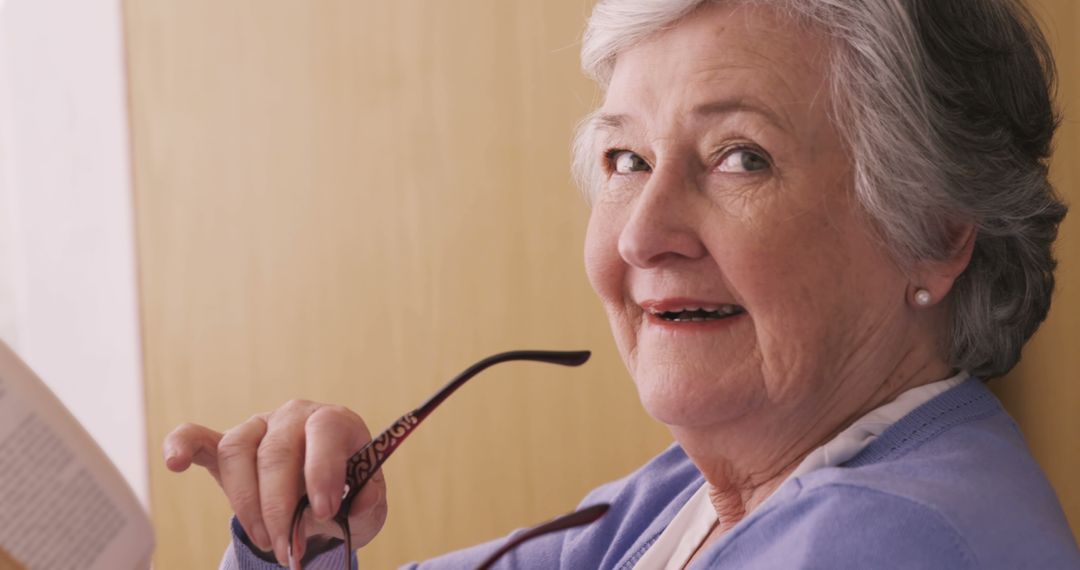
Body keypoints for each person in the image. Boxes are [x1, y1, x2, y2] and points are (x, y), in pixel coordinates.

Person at [165, 0, 1080, 568]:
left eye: (740, 158)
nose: (642, 233)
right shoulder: (694, 495)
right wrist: (301, 535)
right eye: (626, 158)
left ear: (934, 230)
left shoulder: (894, 542)